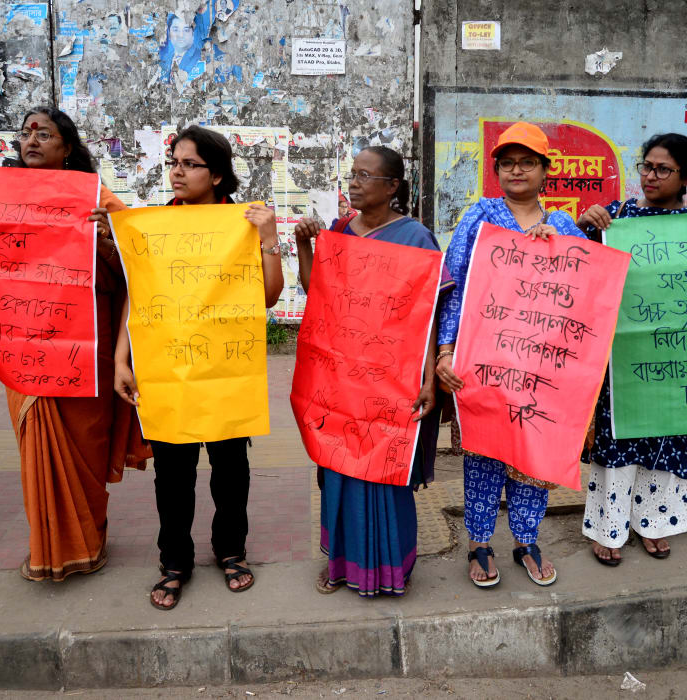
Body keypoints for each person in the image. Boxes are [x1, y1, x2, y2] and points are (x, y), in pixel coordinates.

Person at [0, 107, 150, 581]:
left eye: (45, 134)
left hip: (84, 345)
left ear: (67, 147)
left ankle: (88, 541)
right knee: (37, 447)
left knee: (84, 449)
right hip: (22, 349)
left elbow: (140, 273)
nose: (31, 140)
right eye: (26, 132)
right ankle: (49, 547)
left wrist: (107, 240)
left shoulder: (98, 200)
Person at [114, 126, 284, 610]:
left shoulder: (242, 222)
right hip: (168, 372)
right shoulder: (155, 224)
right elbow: (137, 296)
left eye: (189, 164)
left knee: (231, 470)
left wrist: (269, 236)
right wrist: (120, 357)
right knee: (172, 475)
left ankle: (231, 550)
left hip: (226, 372)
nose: (177, 172)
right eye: (174, 162)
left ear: (217, 174)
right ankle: (175, 562)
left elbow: (269, 297)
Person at [294, 145, 451, 597]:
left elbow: (427, 318)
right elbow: (317, 295)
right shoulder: (341, 231)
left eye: (366, 175)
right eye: (353, 174)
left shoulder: (416, 238)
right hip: (341, 380)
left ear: (393, 186)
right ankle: (341, 564)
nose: (355, 183)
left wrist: (429, 381)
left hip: (393, 381)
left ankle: (388, 569)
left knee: (384, 470)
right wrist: (306, 244)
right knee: (339, 470)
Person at [435, 123, 584, 588]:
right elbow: (453, 286)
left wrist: (557, 247)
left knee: (534, 458)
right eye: (507, 163)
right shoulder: (479, 217)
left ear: (545, 170)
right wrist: (445, 350)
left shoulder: (561, 225)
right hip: (484, 363)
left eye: (527, 162)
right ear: (497, 169)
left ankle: (526, 539)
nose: (516, 170)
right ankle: (479, 543)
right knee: (483, 453)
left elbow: (584, 290)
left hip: (542, 368)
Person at [576, 133, 687, 566]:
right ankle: (610, 528)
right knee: (620, 436)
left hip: (679, 355)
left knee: (668, 436)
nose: (650, 176)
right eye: (646, 166)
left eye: (662, 169)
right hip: (624, 357)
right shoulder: (616, 218)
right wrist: (584, 224)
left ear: (685, 176)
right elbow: (580, 265)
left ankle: (655, 523)